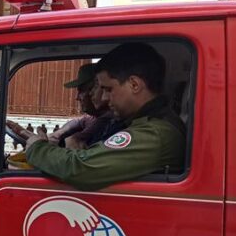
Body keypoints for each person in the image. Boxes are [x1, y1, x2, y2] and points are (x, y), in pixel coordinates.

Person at [22, 42, 185, 191]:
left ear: (134, 84)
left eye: (108, 89)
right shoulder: (145, 124)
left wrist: (37, 148)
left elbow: (82, 169)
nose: (105, 98)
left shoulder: (154, 133)